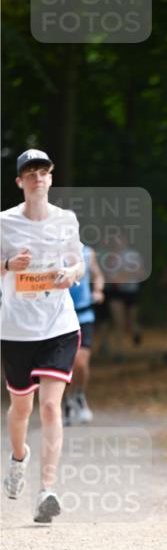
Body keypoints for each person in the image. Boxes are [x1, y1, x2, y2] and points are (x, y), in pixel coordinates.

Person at [1, 148, 84, 522]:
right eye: (30, 173)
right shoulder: (4, 222)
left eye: (44, 172)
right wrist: (7, 265)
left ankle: (47, 490)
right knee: (22, 408)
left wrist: (73, 274)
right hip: (16, 328)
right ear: (20, 181)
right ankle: (19, 457)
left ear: (51, 178)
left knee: (51, 406)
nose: (38, 178)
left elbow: (78, 261)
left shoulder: (66, 220)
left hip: (59, 326)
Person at [64, 244, 105, 424]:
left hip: (84, 314)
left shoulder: (88, 252)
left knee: (80, 362)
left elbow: (97, 275)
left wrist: (98, 290)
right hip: (61, 317)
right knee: (65, 363)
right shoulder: (51, 252)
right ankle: (66, 402)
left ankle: (79, 395)